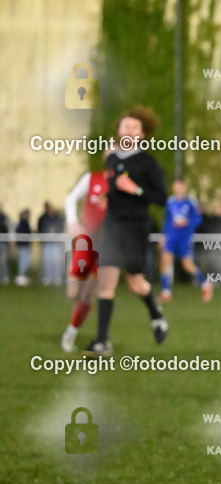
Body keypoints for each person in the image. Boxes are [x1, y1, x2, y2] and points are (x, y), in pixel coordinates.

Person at [85, 106, 168, 356]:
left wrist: (137, 190)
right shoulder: (114, 159)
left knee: (135, 283)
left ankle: (156, 314)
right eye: (125, 125)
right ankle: (102, 342)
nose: (128, 129)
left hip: (136, 226)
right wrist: (108, 197)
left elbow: (162, 198)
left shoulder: (147, 162)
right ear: (119, 131)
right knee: (106, 283)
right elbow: (117, 178)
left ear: (142, 135)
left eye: (134, 127)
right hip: (112, 225)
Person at [61, 157, 110, 352]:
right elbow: (71, 198)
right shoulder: (91, 178)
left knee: (88, 295)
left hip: (105, 246)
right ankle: (82, 323)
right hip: (86, 243)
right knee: (73, 293)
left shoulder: (123, 183)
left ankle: (71, 334)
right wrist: (73, 222)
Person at [159, 177, 211, 303]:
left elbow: (198, 219)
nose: (178, 188)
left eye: (180, 186)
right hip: (171, 237)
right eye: (176, 185)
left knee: (187, 264)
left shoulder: (190, 202)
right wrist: (164, 236)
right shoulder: (170, 202)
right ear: (173, 187)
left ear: (184, 187)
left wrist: (187, 222)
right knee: (165, 260)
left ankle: (205, 284)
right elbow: (167, 221)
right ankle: (166, 291)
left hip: (184, 237)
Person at [38, 202, 66, 285]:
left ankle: (57, 277)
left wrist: (56, 231)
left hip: (56, 243)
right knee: (47, 261)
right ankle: (48, 276)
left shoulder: (58, 217)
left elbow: (61, 227)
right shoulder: (43, 218)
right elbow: (40, 228)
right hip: (46, 242)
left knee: (56, 260)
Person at [15, 209, 32, 286]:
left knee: (26, 261)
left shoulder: (26, 223)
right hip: (22, 246)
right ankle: (21, 276)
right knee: (23, 261)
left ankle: (23, 275)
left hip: (26, 245)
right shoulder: (22, 223)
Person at [0, 204, 10, 285]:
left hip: (3, 242)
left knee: (3, 260)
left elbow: (8, 228)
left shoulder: (4, 217)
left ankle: (4, 276)